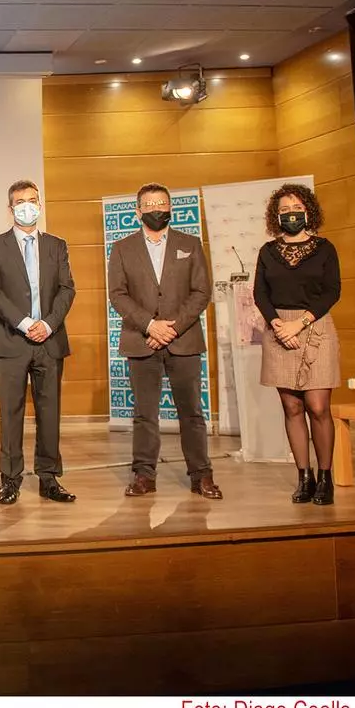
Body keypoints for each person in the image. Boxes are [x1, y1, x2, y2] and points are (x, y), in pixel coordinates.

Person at [108, 182, 221, 499]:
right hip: (141, 340)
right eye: (149, 204)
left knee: (192, 413)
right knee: (145, 414)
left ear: (170, 208)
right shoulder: (122, 248)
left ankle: (201, 475)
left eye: (161, 203)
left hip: (183, 339)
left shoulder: (190, 243)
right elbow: (118, 294)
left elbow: (201, 291)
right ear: (138, 211)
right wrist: (150, 325)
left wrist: (172, 327)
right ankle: (144, 475)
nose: (156, 209)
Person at [0, 179, 77, 505]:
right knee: (11, 413)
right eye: (20, 202)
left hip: (50, 340)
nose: (26, 206)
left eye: (32, 200)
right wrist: (24, 324)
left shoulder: (56, 245)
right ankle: (10, 479)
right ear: (10, 208)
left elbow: (67, 289)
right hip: (10, 340)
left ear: (40, 204)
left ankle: (49, 478)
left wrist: (47, 324)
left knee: (50, 412)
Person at [254, 184, 341, 505]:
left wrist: (300, 323)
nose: (291, 214)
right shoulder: (267, 251)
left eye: (297, 209)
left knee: (318, 407)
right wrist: (278, 325)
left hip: (315, 326)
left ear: (308, 211)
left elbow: (332, 291)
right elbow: (260, 293)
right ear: (276, 216)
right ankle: (304, 477)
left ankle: (326, 477)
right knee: (292, 407)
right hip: (279, 330)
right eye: (285, 210)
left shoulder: (325, 248)